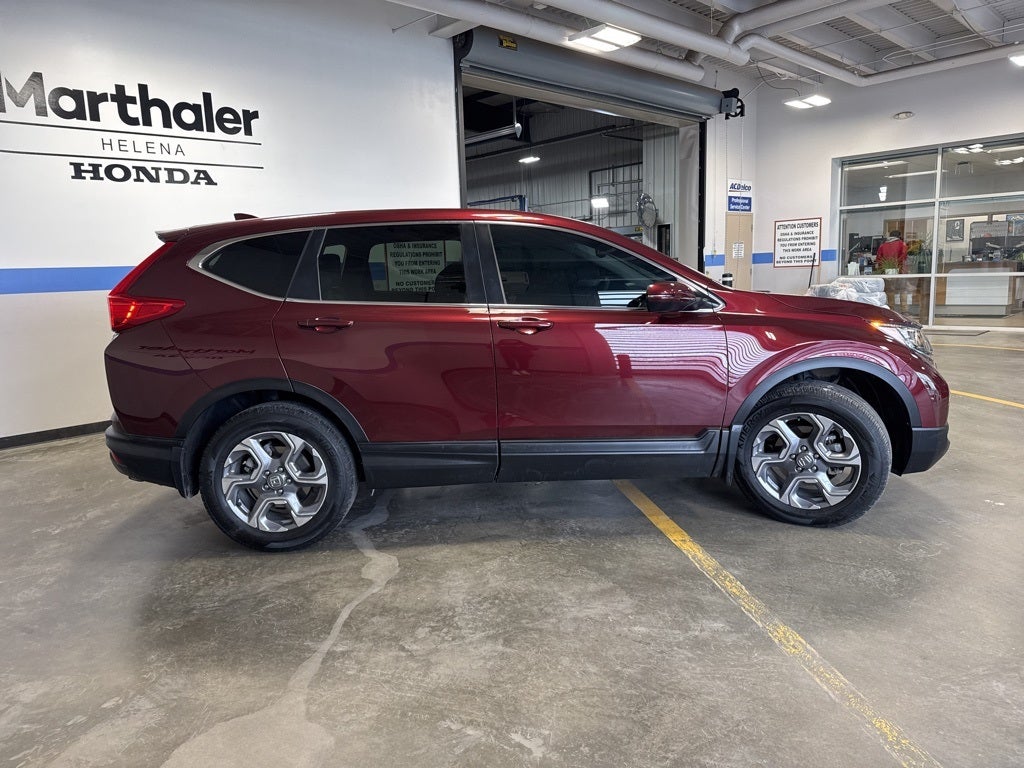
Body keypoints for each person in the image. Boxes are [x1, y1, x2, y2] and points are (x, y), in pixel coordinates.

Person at [876, 230, 915, 310]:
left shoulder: (883, 246)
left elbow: (878, 259)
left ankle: (891, 309)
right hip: (900, 271)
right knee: (903, 290)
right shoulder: (902, 244)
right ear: (899, 236)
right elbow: (904, 257)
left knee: (890, 291)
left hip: (887, 272)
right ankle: (904, 310)